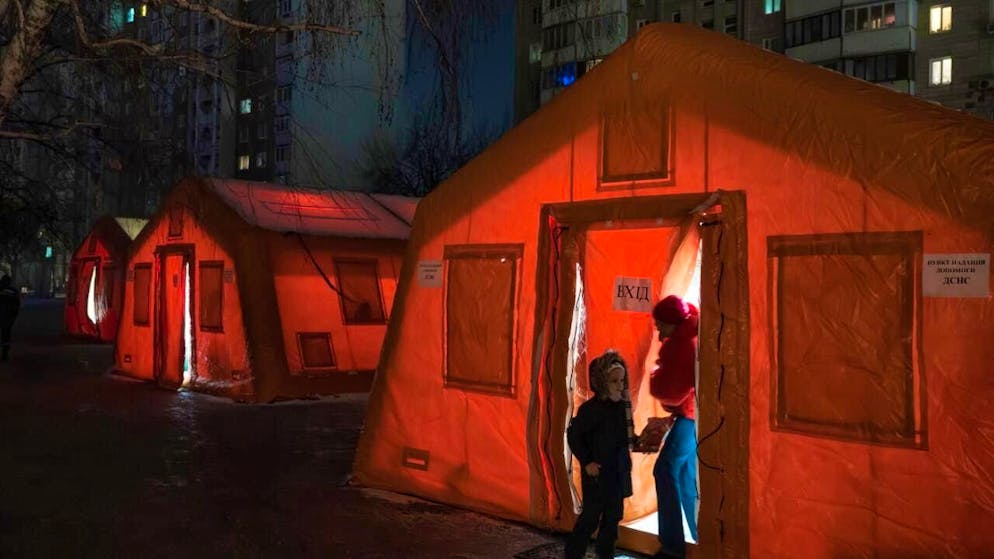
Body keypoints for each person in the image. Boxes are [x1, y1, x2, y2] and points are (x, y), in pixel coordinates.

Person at [565, 350, 635, 559]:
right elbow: (574, 435)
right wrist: (587, 462)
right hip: (597, 474)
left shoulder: (622, 408)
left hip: (617, 472)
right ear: (601, 382)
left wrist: (643, 439)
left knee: (612, 518)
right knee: (590, 518)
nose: (619, 385)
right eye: (614, 381)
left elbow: (625, 437)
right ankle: (573, 554)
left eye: (622, 380)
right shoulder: (591, 410)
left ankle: (605, 555)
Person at [648, 295, 699, 559]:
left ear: (671, 323)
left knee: (665, 470)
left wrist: (654, 378)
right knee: (686, 477)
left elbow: (671, 391)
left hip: (688, 417)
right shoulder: (691, 336)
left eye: (660, 325)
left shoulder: (680, 346)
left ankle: (672, 546)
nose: (658, 331)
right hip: (694, 416)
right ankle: (699, 537)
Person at [0, 274, 21, 361]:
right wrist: (13, 317)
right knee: (6, 335)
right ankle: (5, 354)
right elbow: (16, 305)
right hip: (8, 316)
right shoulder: (13, 291)